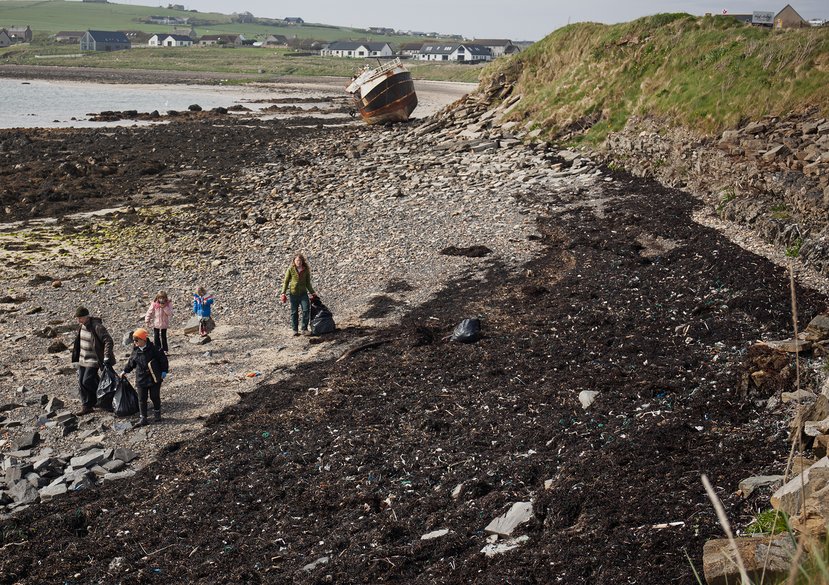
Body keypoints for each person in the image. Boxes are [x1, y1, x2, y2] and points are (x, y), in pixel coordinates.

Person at [70, 306, 115, 416]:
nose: (78, 320)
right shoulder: (82, 326)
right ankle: (87, 405)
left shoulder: (96, 326)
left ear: (86, 317)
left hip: (93, 360)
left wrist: (106, 356)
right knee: (81, 383)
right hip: (82, 358)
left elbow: (108, 340)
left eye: (80, 318)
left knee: (87, 381)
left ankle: (102, 399)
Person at [121, 328, 167, 426]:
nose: (135, 342)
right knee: (142, 399)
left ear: (143, 339)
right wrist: (125, 371)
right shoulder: (135, 351)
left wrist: (164, 371)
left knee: (154, 397)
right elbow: (131, 363)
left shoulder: (155, 349)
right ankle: (143, 418)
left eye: (136, 340)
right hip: (141, 378)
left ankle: (157, 413)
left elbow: (163, 360)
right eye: (134, 340)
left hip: (154, 378)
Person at [280, 254, 316, 336]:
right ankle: (295, 330)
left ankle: (304, 329)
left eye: (300, 261)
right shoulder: (290, 269)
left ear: (302, 261)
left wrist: (312, 292)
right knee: (294, 312)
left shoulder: (306, 270)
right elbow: (286, 282)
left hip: (303, 293)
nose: (298, 262)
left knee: (306, 309)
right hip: (293, 294)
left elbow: (308, 283)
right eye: (297, 261)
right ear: (294, 261)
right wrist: (283, 293)